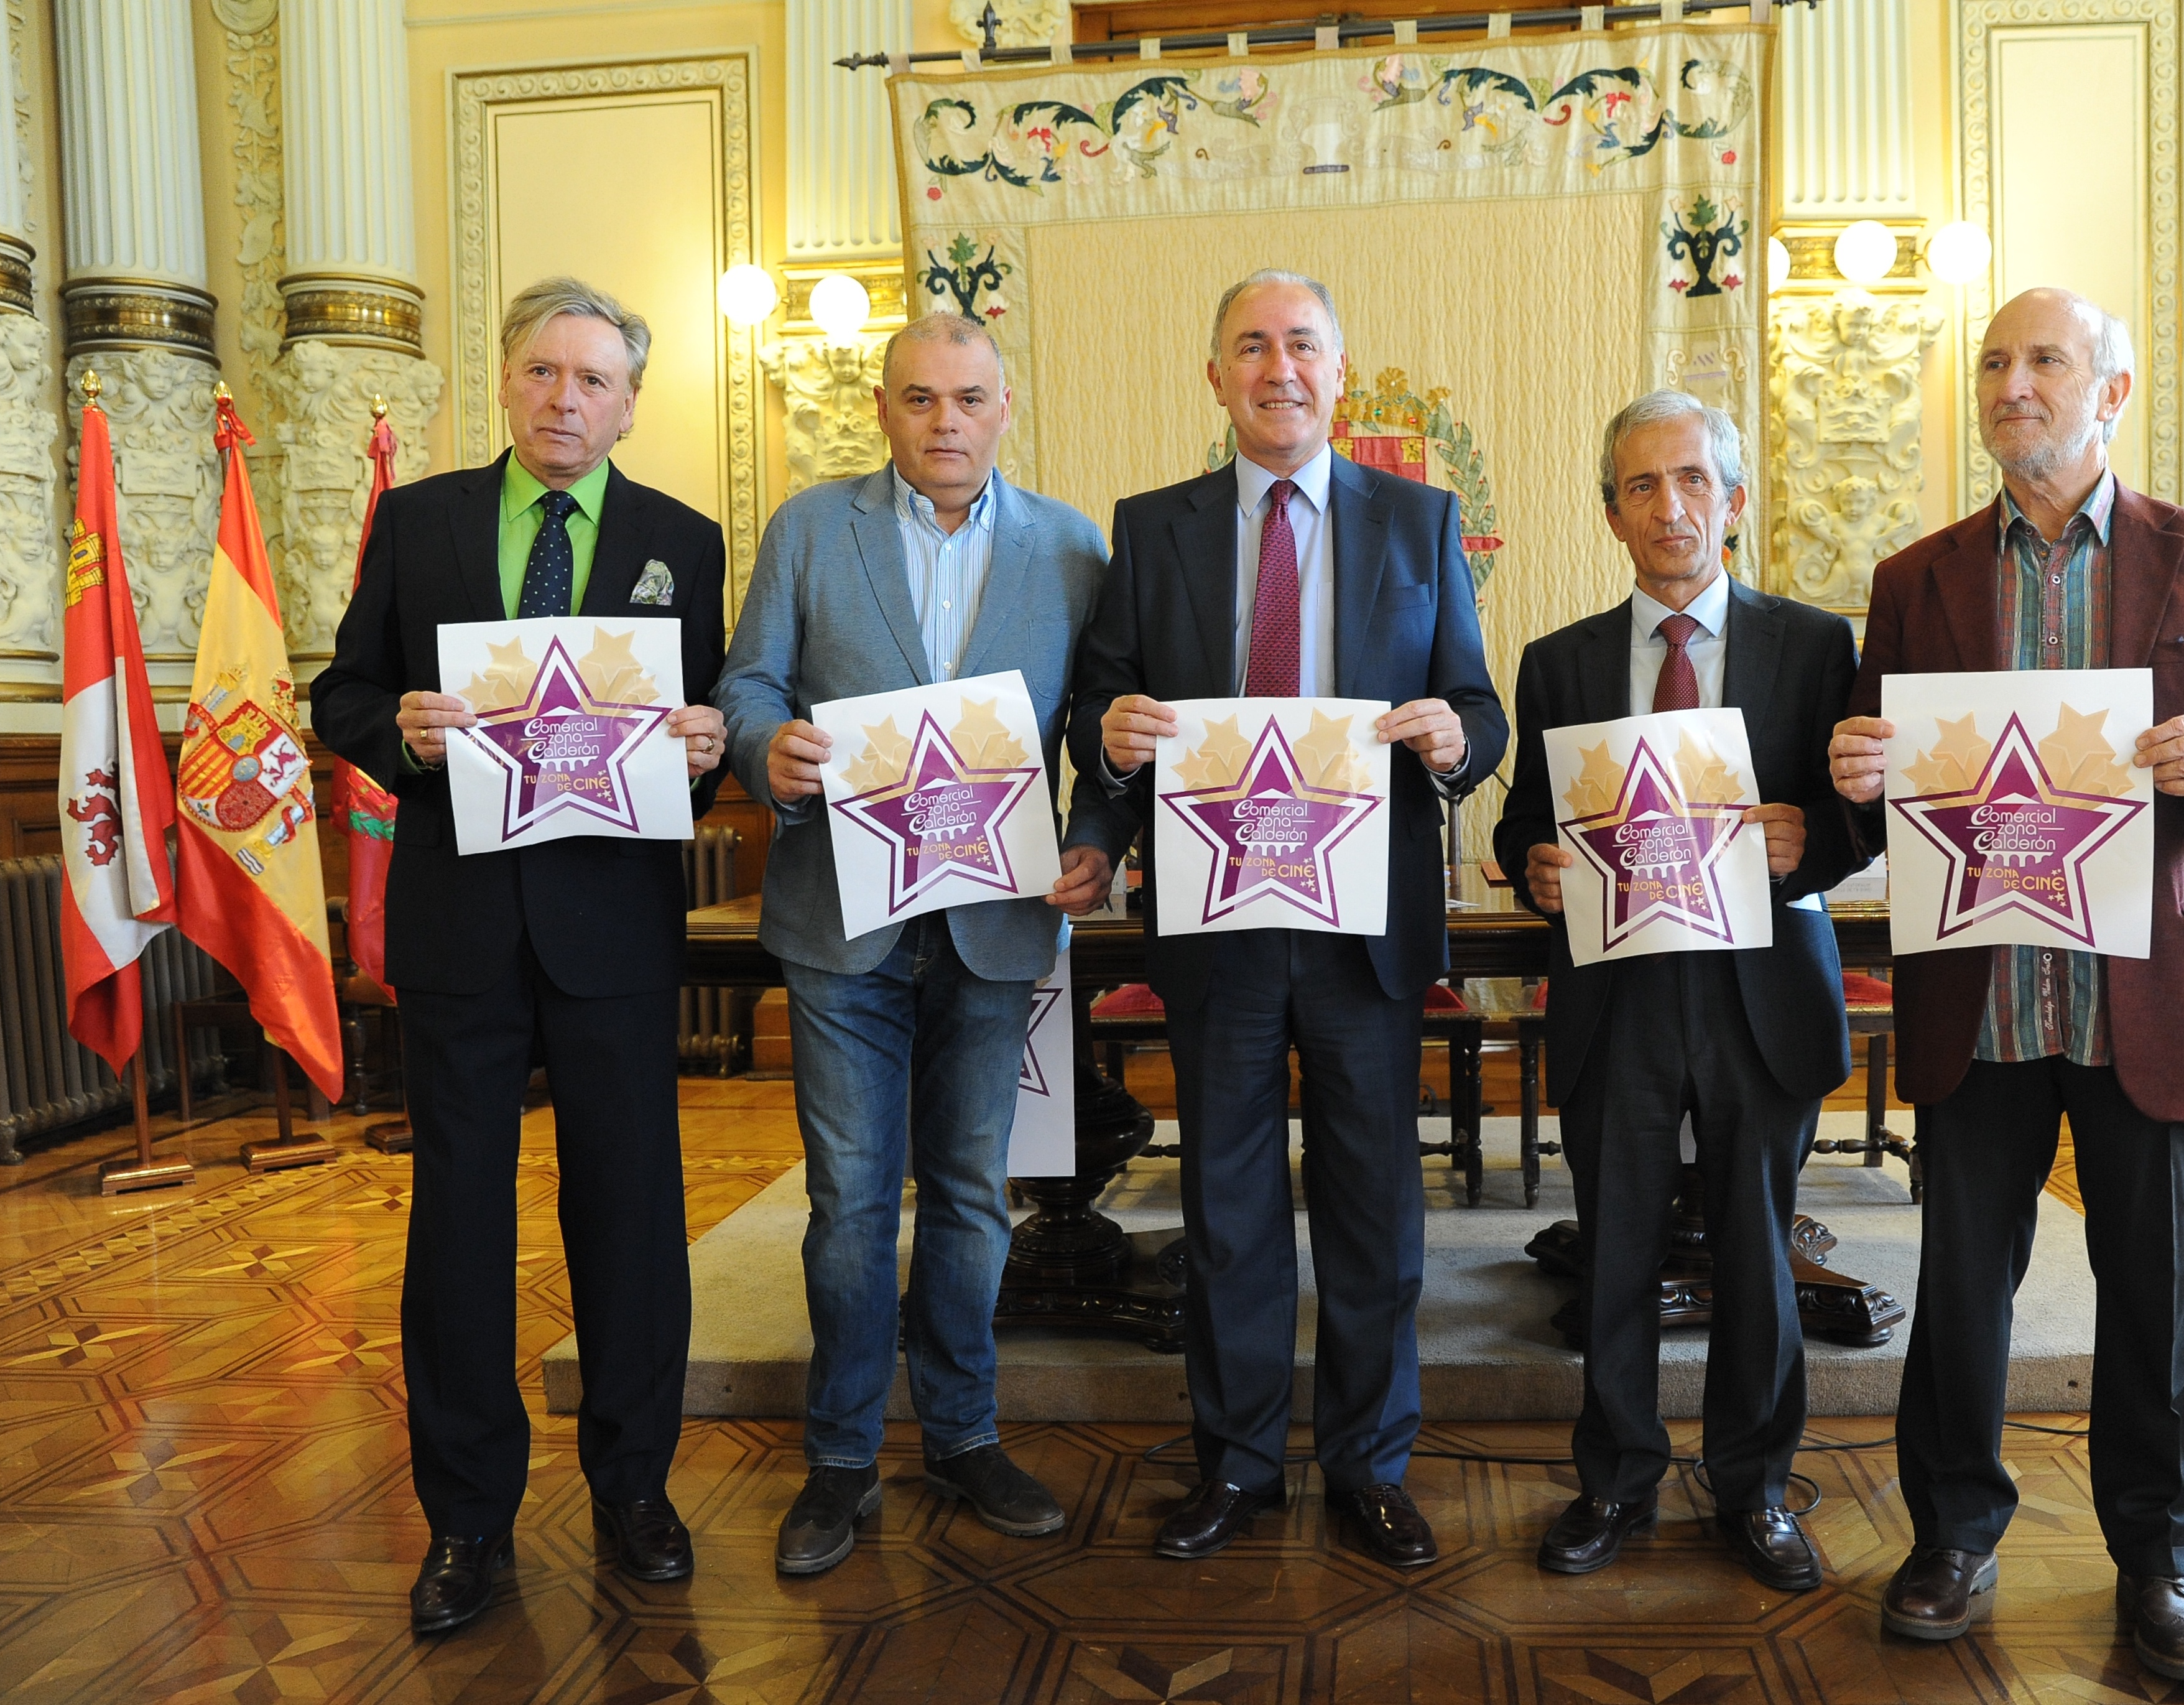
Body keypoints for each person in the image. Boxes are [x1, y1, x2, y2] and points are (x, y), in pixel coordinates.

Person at [1827, 287, 2184, 1684]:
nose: (2012, 383)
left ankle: (2161, 1560)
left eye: (2045, 360)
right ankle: (1950, 1535)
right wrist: (1850, 771)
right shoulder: (1915, 577)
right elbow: (1875, 781)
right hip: (1978, 997)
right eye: (1993, 361)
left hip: (2147, 992)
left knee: (2156, 1297)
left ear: (2109, 391)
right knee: (1958, 1288)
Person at [1070, 269, 1507, 1568]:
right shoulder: (1151, 528)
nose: (1279, 368)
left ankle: (1371, 1464)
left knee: (1374, 1206)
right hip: (1215, 922)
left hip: (1365, 928)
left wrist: (1454, 741)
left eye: (1302, 344)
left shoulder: (1420, 521)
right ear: (1214, 376)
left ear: (1338, 369)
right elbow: (1101, 702)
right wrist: (1107, 735)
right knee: (1228, 1208)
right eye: (1251, 346)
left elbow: (1477, 709)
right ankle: (1237, 1464)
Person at [314, 276, 731, 1634]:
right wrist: (396, 730)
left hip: (614, 930)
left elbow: (709, 716)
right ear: (505, 379)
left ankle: (634, 1486)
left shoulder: (684, 540)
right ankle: (468, 1517)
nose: (566, 400)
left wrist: (712, 743)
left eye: (594, 379)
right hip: (461, 928)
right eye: (544, 372)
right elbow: (340, 691)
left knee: (630, 1213)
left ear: (630, 403)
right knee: (458, 1224)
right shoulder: (420, 520)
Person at [712, 312, 1129, 1575]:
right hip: (840, 923)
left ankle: (963, 1433)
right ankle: (840, 1456)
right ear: (881, 408)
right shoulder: (807, 529)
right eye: (918, 398)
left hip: (996, 920)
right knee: (847, 1203)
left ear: (1005, 407)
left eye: (968, 398)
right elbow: (748, 685)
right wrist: (766, 751)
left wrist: (1096, 838)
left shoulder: (1071, 547)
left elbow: (1097, 725)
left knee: (968, 1194)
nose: (944, 420)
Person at [1492, 392, 1861, 1589]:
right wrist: (1533, 864)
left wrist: (1815, 838)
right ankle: (1614, 1482)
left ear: (1734, 501)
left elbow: (1857, 816)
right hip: (1620, 1000)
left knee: (1758, 1255)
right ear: (1611, 513)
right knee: (1617, 1254)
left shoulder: (1817, 646)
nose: (1671, 506)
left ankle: (1755, 1489)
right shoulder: (1558, 662)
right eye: (1642, 486)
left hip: (1763, 994)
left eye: (1694, 479)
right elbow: (1522, 823)